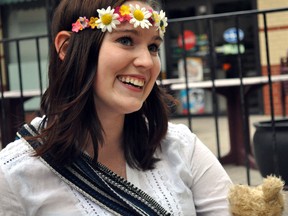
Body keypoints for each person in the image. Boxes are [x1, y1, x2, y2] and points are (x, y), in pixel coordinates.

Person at [0, 0, 232, 215]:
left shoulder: (181, 147)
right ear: (67, 47)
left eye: (153, 47)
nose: (147, 61)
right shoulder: (12, 175)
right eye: (126, 40)